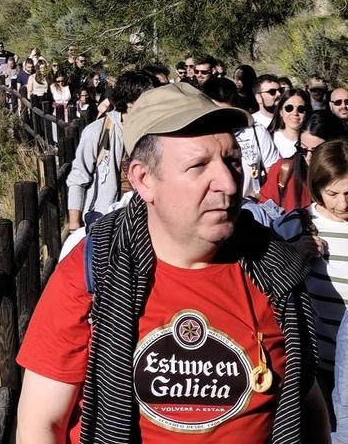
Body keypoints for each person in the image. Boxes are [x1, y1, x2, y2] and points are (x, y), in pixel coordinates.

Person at [18, 81, 329, 443]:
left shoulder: (275, 270)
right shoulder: (92, 272)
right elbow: (41, 424)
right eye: (198, 166)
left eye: (231, 161)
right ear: (144, 180)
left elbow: (307, 404)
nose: (228, 183)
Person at [65, 70, 156, 230]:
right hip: (102, 223)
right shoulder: (96, 132)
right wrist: (74, 225)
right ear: (129, 101)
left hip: (143, 224)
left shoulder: (154, 133)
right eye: (147, 100)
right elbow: (78, 179)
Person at [304, 140, 348, 425]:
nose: (343, 203)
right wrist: (296, 255)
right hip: (316, 362)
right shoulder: (298, 225)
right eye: (332, 193)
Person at [204, 77, 280, 198]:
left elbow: (275, 173)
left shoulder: (256, 132)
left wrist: (261, 198)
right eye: (215, 113)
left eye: (227, 113)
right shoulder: (196, 137)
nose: (221, 119)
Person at [261, 110, 345, 213]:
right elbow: (265, 208)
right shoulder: (283, 170)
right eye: (303, 149)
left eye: (316, 151)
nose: (308, 156)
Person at [271, 89, 312, 159]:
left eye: (301, 109)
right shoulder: (270, 139)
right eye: (289, 108)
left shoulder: (312, 142)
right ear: (281, 112)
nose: (295, 113)